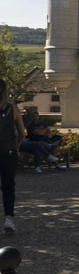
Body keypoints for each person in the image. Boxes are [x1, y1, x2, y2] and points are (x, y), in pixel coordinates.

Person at [0, 79, 26, 234]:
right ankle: (8, 219)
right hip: (8, 152)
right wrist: (15, 147)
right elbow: (22, 133)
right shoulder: (13, 108)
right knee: (8, 186)